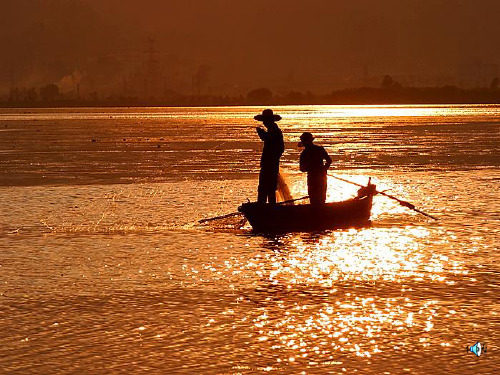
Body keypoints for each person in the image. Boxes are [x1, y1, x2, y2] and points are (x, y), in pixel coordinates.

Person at [254, 109, 285, 204]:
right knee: (268, 187)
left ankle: (265, 207)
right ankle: (266, 206)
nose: (264, 123)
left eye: (265, 120)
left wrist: (261, 133)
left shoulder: (275, 131)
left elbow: (267, 138)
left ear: (270, 121)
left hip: (270, 164)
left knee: (267, 187)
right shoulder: (273, 131)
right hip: (270, 163)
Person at [299, 132, 332, 205]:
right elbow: (329, 161)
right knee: (321, 198)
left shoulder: (304, 153)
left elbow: (302, 169)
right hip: (319, 177)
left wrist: (322, 169)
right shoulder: (319, 149)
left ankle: (316, 212)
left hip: (314, 178)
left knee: (314, 199)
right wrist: (324, 169)